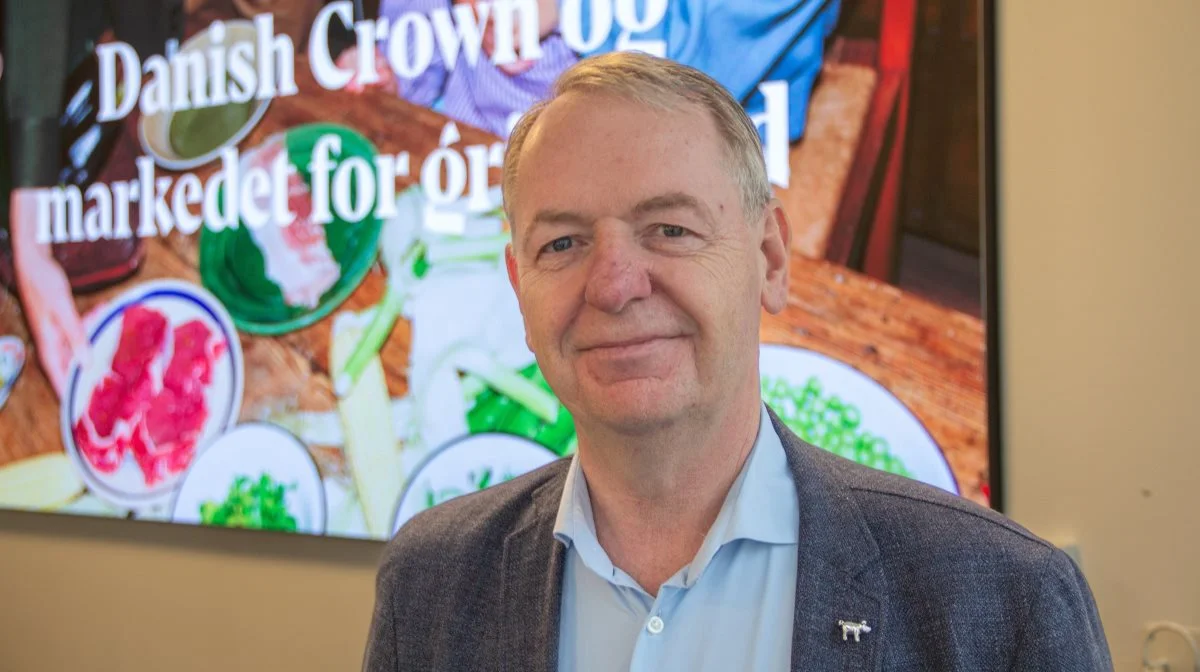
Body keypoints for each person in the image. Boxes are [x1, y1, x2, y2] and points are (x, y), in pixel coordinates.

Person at [362, 52, 1113, 671]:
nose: (616, 285)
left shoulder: (1003, 601)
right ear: (519, 288)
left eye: (669, 228)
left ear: (772, 258)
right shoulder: (430, 583)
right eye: (562, 243)